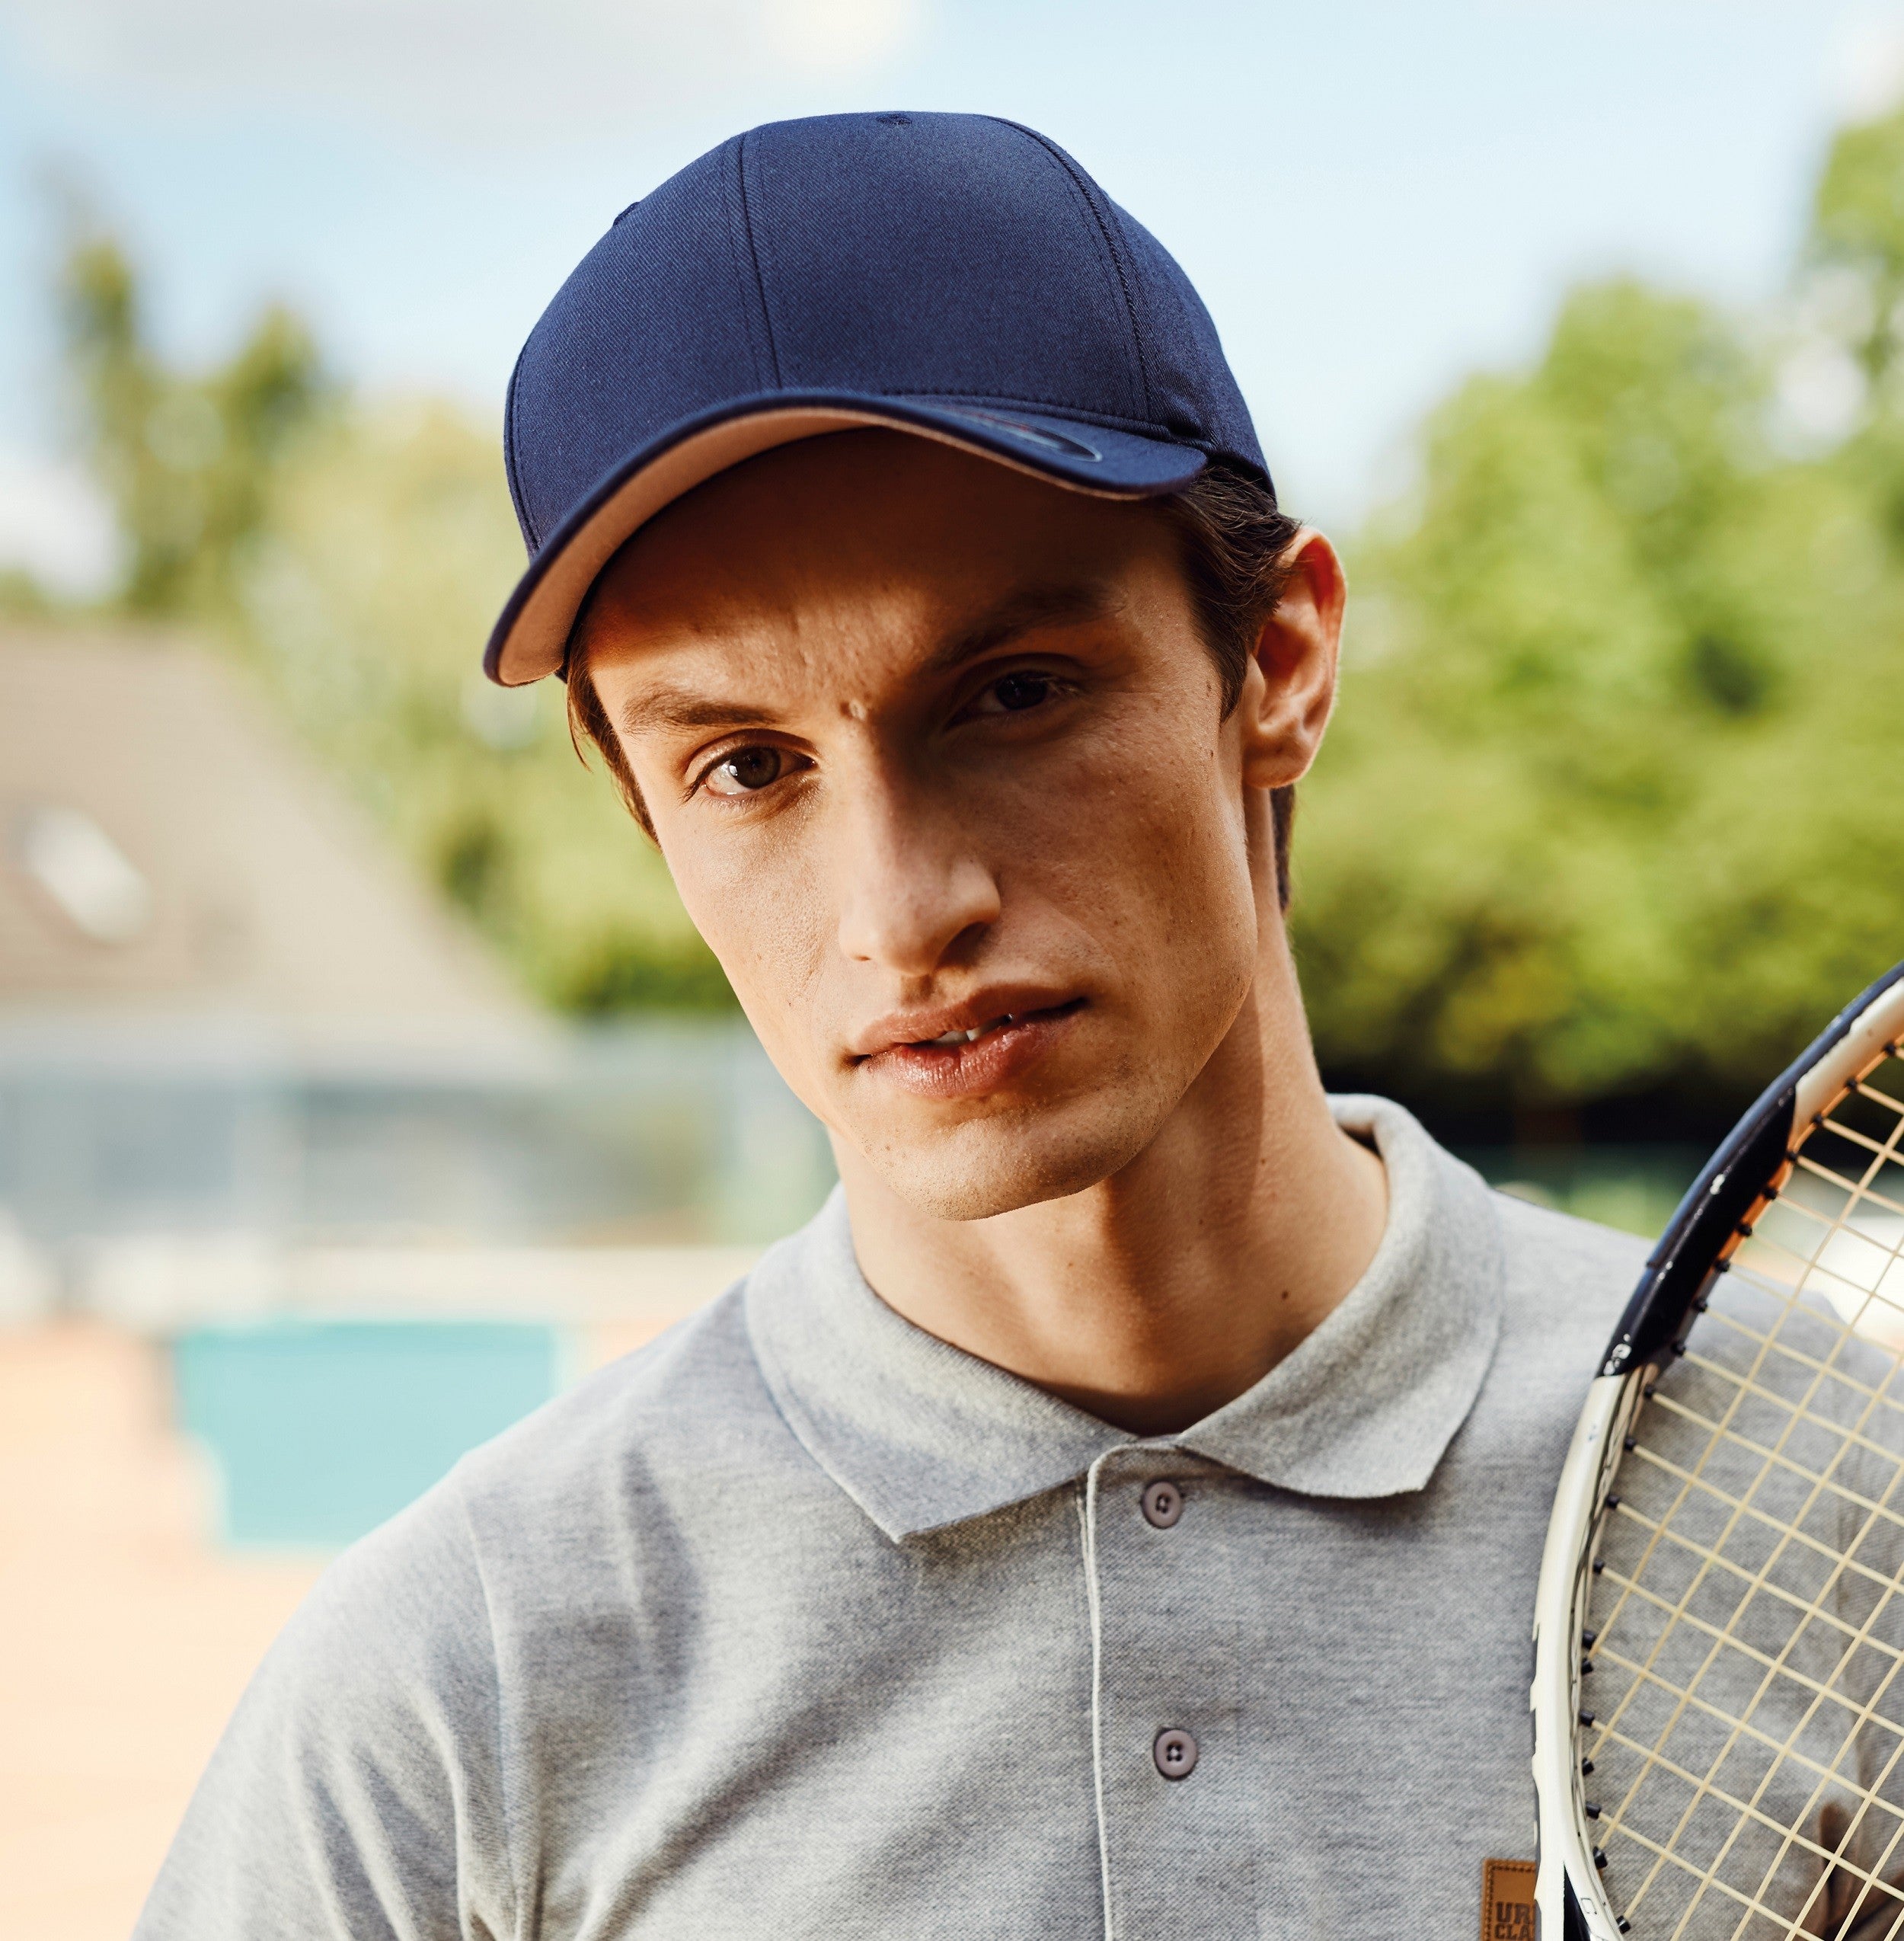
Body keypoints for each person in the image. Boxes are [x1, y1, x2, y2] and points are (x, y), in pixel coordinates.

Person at [136, 111, 1643, 1939]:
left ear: (1277, 663)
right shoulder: (455, 1691)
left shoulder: (1813, 1493)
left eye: (1009, 692)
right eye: (748, 765)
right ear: (640, 812)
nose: (897, 909)